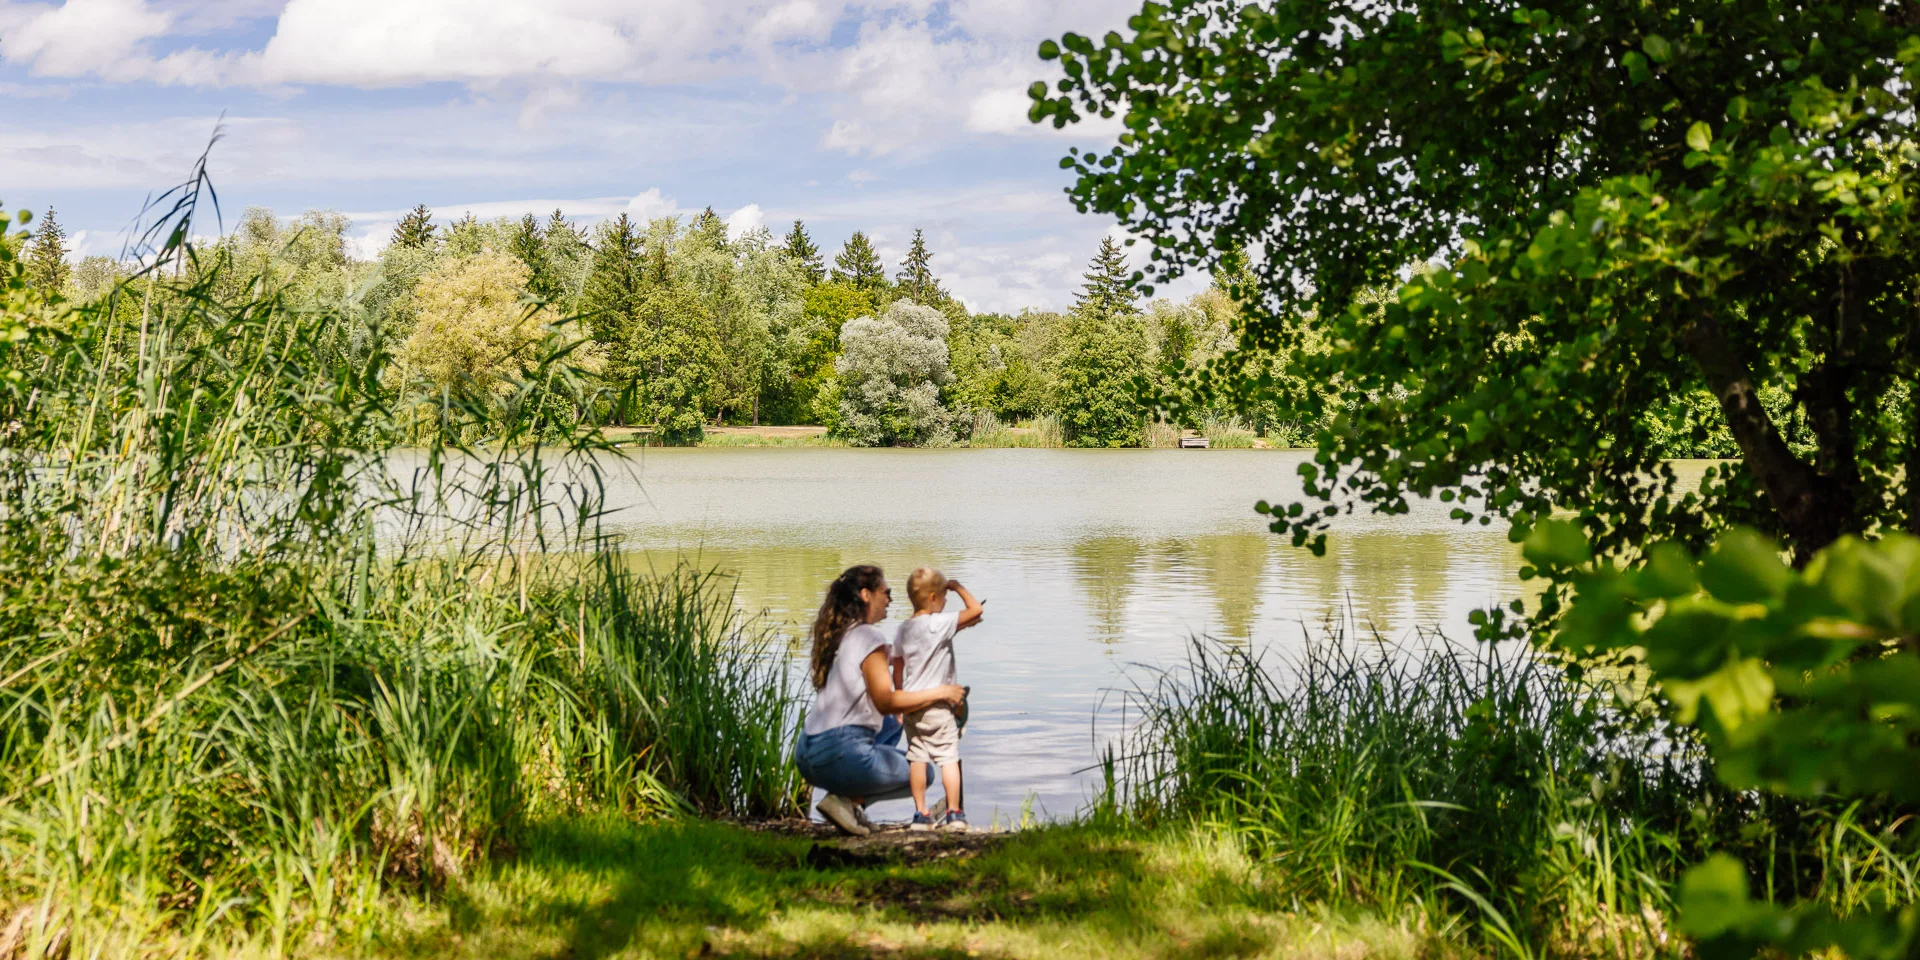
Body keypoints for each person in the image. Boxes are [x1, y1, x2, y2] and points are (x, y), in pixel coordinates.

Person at [794, 565, 966, 836]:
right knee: (926, 773)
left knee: (894, 723)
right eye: (886, 592)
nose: (890, 599)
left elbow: (886, 708)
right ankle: (848, 802)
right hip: (837, 753)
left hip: (806, 753)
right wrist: (943, 693)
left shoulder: (843, 633)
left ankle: (847, 805)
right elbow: (886, 701)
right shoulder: (868, 636)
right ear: (866, 595)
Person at [895, 567, 985, 832]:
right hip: (939, 706)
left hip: (912, 704)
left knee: (917, 758)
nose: (946, 600)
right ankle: (954, 813)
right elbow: (976, 610)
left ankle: (921, 815)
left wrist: (899, 698)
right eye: (944, 595)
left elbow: (898, 666)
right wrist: (958, 587)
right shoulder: (940, 622)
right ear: (933, 597)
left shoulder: (903, 629)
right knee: (948, 757)